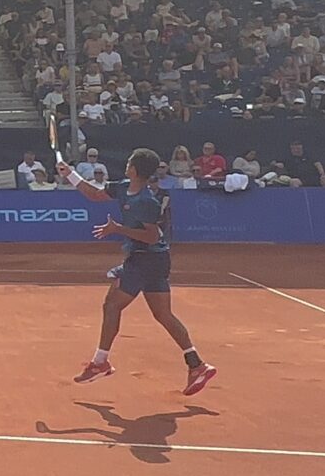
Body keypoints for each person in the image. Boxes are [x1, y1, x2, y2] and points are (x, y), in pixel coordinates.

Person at [61, 147, 215, 396]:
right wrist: (70, 175)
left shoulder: (146, 201)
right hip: (154, 260)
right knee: (163, 315)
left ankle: (100, 362)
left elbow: (152, 236)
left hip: (146, 259)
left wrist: (118, 229)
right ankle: (197, 365)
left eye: (130, 161)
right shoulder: (124, 187)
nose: (127, 164)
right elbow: (96, 195)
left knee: (112, 305)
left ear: (134, 169)